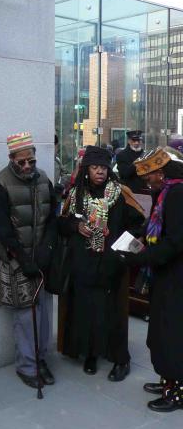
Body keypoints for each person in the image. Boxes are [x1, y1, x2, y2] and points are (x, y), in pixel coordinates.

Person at [58, 146, 144, 381]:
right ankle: (91, 354)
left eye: (104, 168)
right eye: (95, 168)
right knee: (87, 310)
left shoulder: (121, 192)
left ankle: (120, 359)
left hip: (112, 263)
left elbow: (139, 224)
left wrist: (121, 247)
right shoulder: (76, 195)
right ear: (86, 170)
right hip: (84, 263)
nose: (100, 172)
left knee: (114, 312)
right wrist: (77, 227)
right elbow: (62, 225)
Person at [0, 132, 57, 389]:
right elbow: (1, 228)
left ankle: (41, 358)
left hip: (41, 255)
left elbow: (53, 216)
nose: (27, 166)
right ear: (11, 159)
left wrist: (47, 248)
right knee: (26, 314)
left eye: (30, 160)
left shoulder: (44, 178)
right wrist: (23, 258)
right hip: (16, 258)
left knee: (45, 312)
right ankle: (28, 366)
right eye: (21, 162)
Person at [118, 148, 183, 411]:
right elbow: (155, 230)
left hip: (176, 277)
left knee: (172, 334)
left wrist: (140, 258)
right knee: (160, 331)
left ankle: (177, 391)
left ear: (159, 172)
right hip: (165, 274)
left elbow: (174, 242)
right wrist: (139, 240)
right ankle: (168, 379)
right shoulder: (166, 192)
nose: (147, 182)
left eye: (149, 178)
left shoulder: (178, 194)